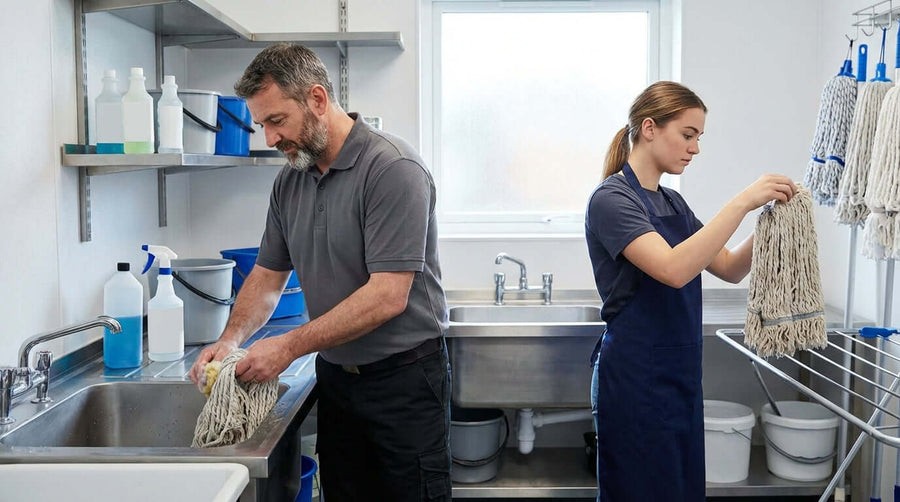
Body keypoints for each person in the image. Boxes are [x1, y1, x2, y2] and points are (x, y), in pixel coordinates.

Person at [188, 43, 451, 501]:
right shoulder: (290, 179)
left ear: (316, 99)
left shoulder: (393, 169)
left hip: (404, 382)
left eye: (276, 121)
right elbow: (267, 276)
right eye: (261, 124)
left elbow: (388, 295)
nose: (269, 139)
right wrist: (231, 340)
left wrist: (288, 346)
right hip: (337, 380)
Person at [585, 81, 797, 501]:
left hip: (679, 376)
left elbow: (730, 267)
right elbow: (673, 269)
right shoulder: (612, 200)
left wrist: (771, 220)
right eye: (687, 135)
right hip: (634, 378)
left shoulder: (673, 204)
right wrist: (743, 201)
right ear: (650, 128)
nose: (695, 148)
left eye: (698, 137)